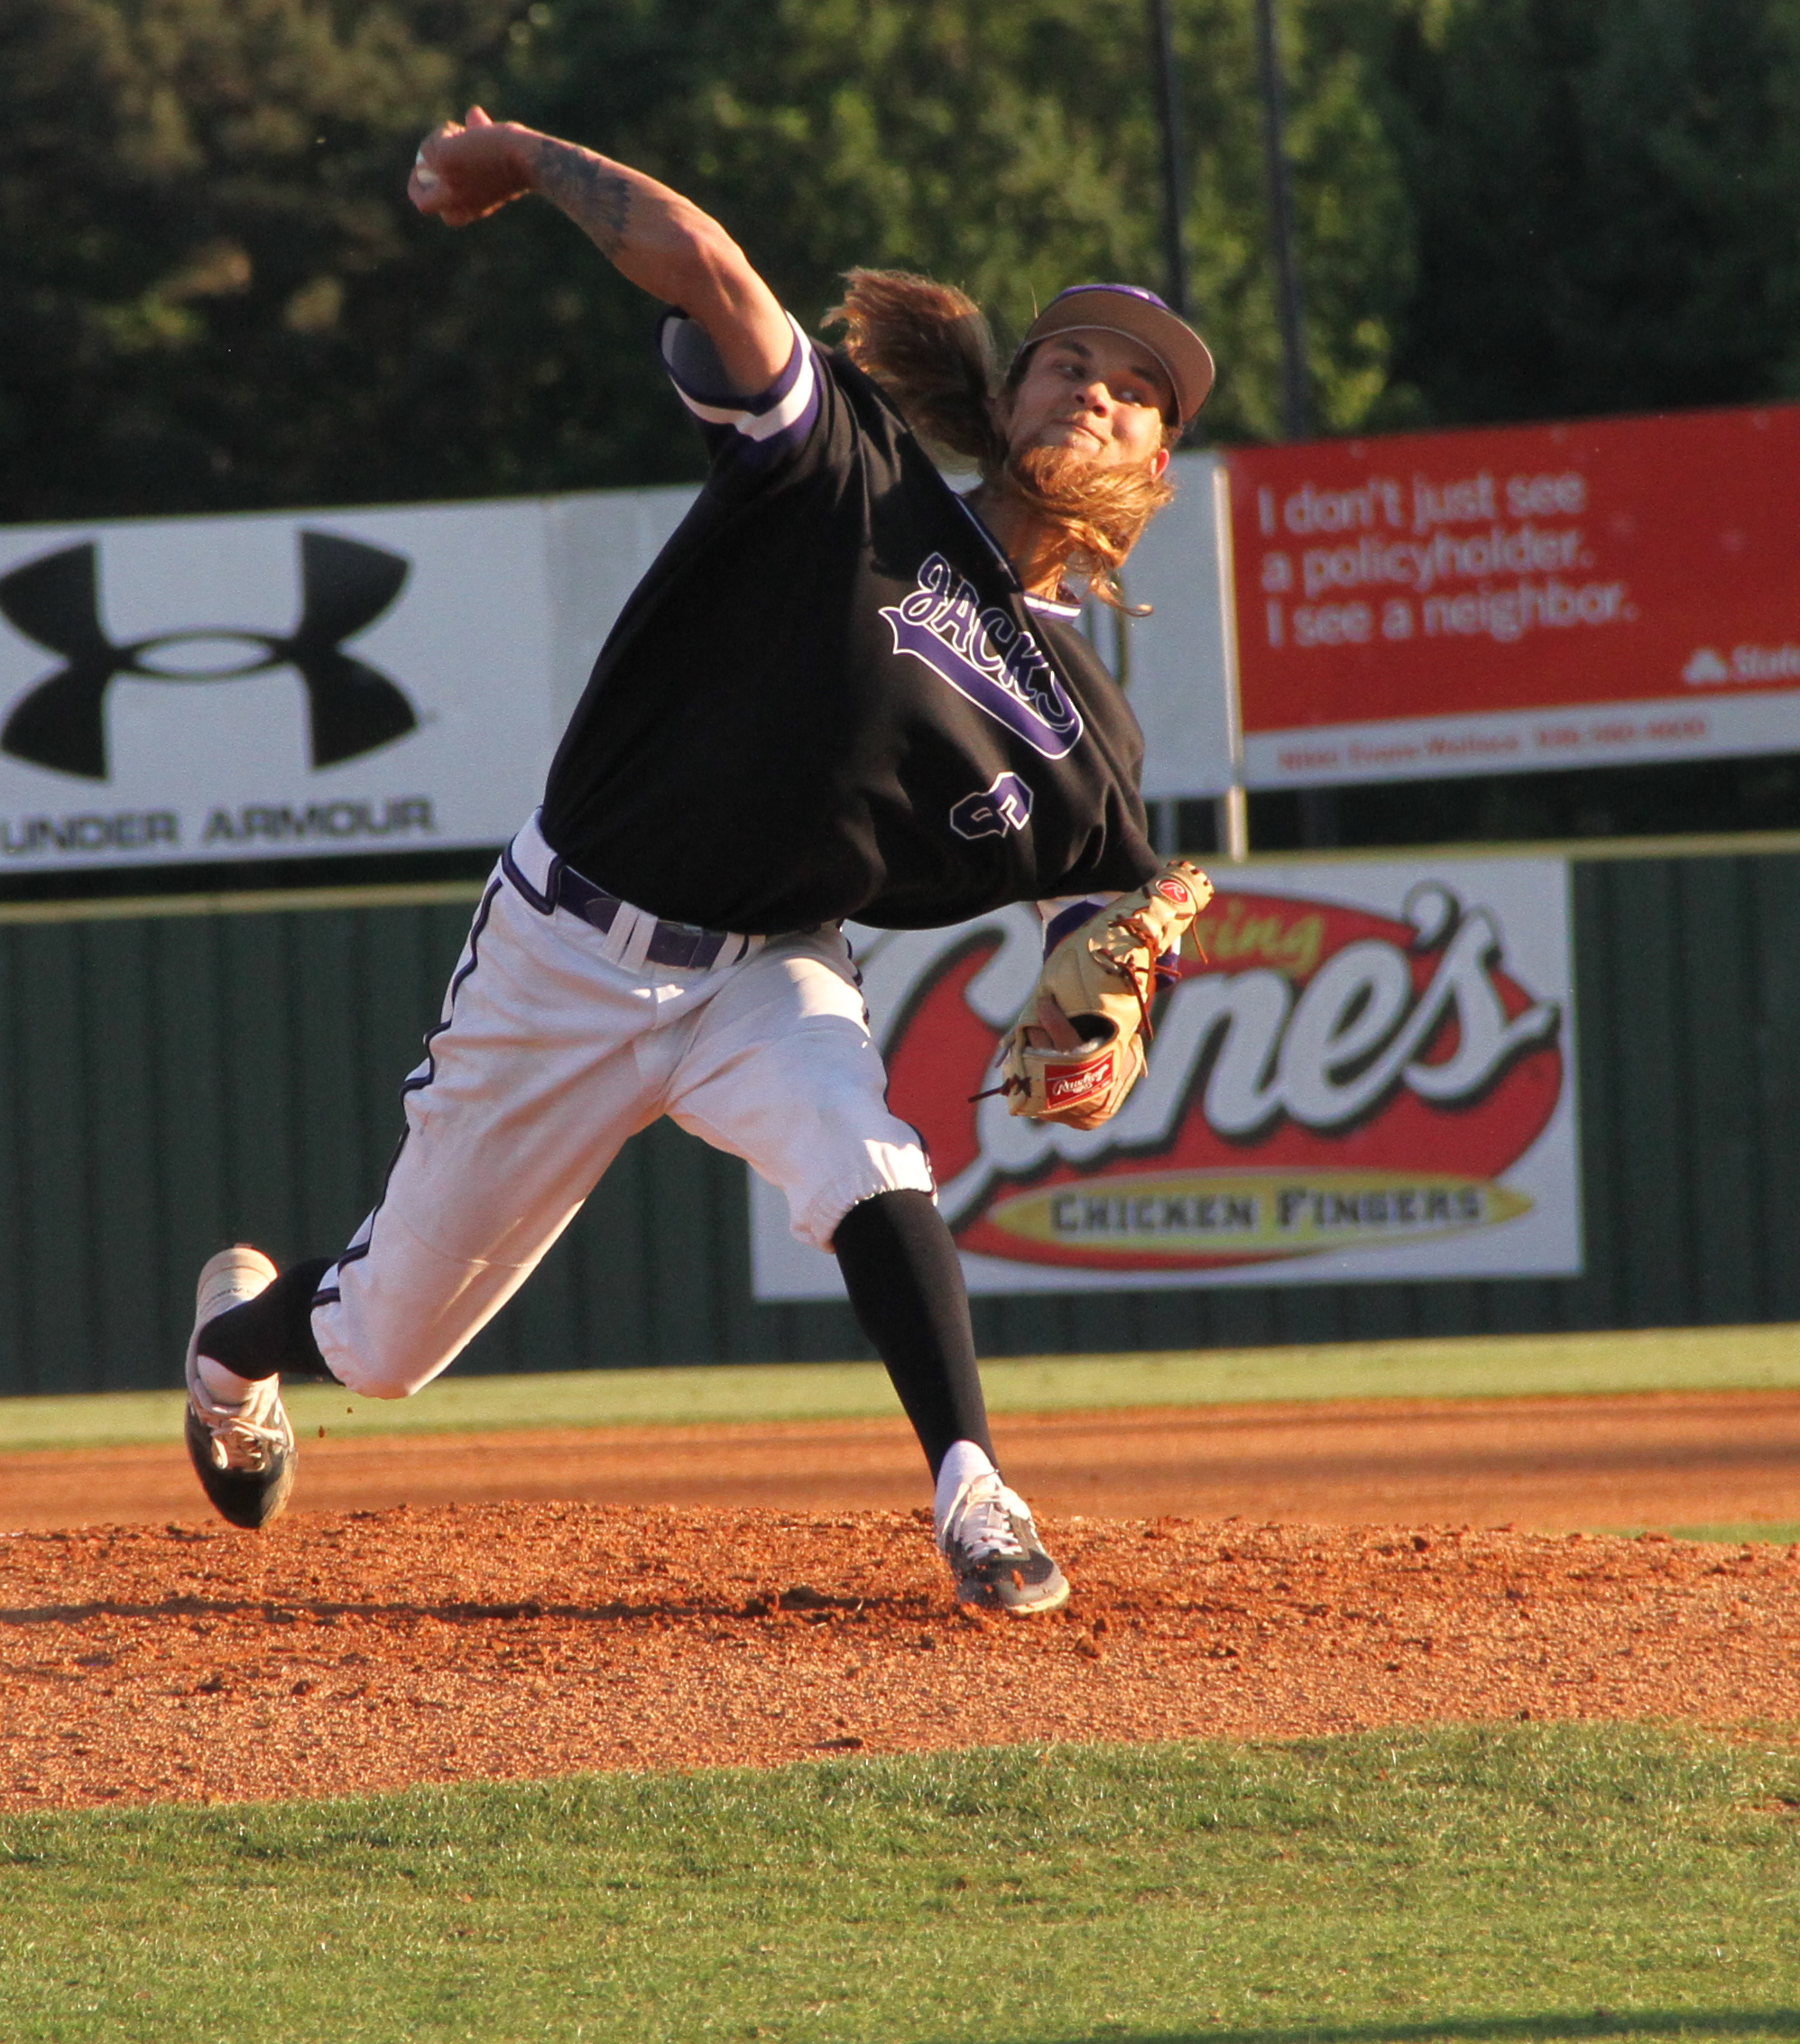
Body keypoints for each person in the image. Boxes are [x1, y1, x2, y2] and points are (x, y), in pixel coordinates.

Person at [179, 106, 1218, 1615]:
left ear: (1153, 469)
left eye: (1135, 394)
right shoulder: (850, 473)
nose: (1095, 392)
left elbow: (1101, 923)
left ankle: (973, 1492)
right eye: (1069, 361)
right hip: (566, 948)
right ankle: (230, 1349)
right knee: (382, 1349)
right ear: (1004, 399)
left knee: (866, 1157)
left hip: (770, 974)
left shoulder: (1083, 729)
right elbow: (717, 279)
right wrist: (529, 161)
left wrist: (1106, 1018)